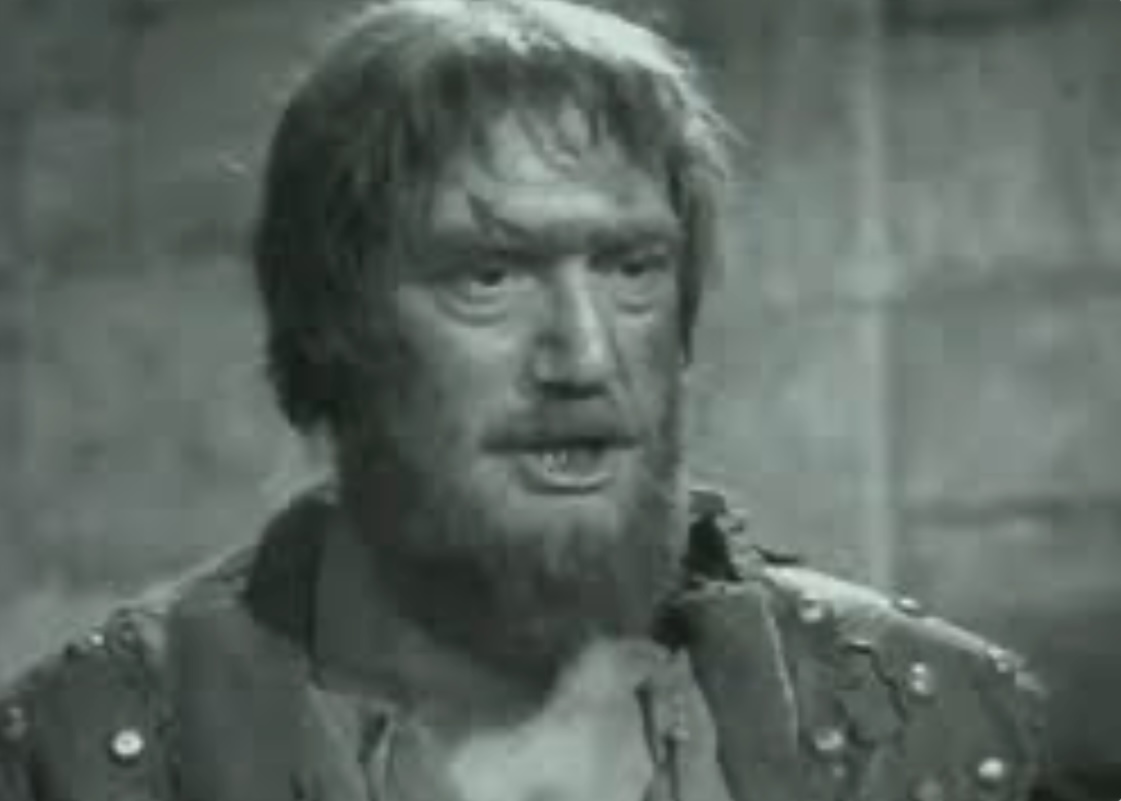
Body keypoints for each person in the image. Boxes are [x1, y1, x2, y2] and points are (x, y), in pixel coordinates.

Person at [0, 1, 1045, 799]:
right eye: (487, 276)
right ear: (330, 327)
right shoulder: (78, 756)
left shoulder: (938, 732)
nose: (583, 355)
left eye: (631, 267)